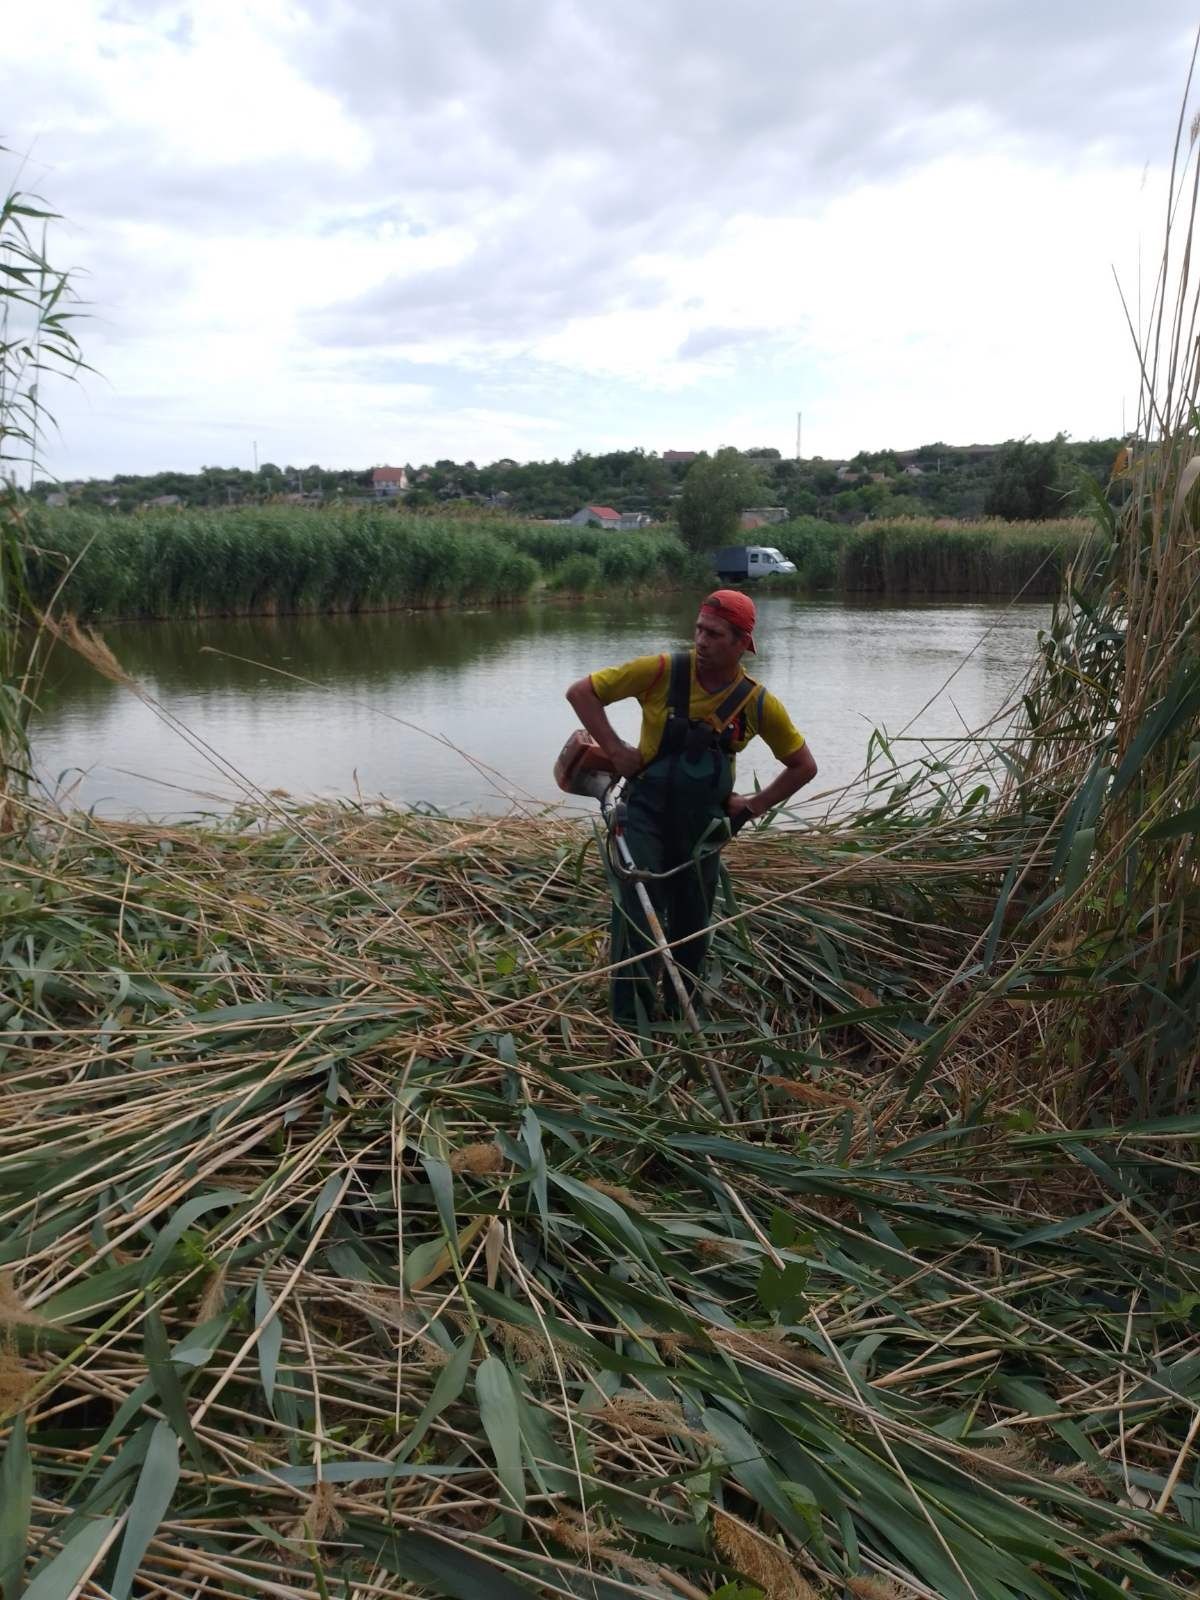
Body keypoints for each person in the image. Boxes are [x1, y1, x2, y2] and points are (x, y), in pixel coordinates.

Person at [565, 590, 817, 1029]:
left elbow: (803, 766)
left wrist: (752, 806)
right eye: (699, 629)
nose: (701, 640)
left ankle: (685, 1014)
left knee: (693, 924)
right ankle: (632, 1026)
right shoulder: (661, 671)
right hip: (642, 814)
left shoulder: (756, 702)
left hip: (702, 829)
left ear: (742, 643)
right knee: (638, 916)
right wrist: (615, 748)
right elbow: (582, 693)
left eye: (715, 634)